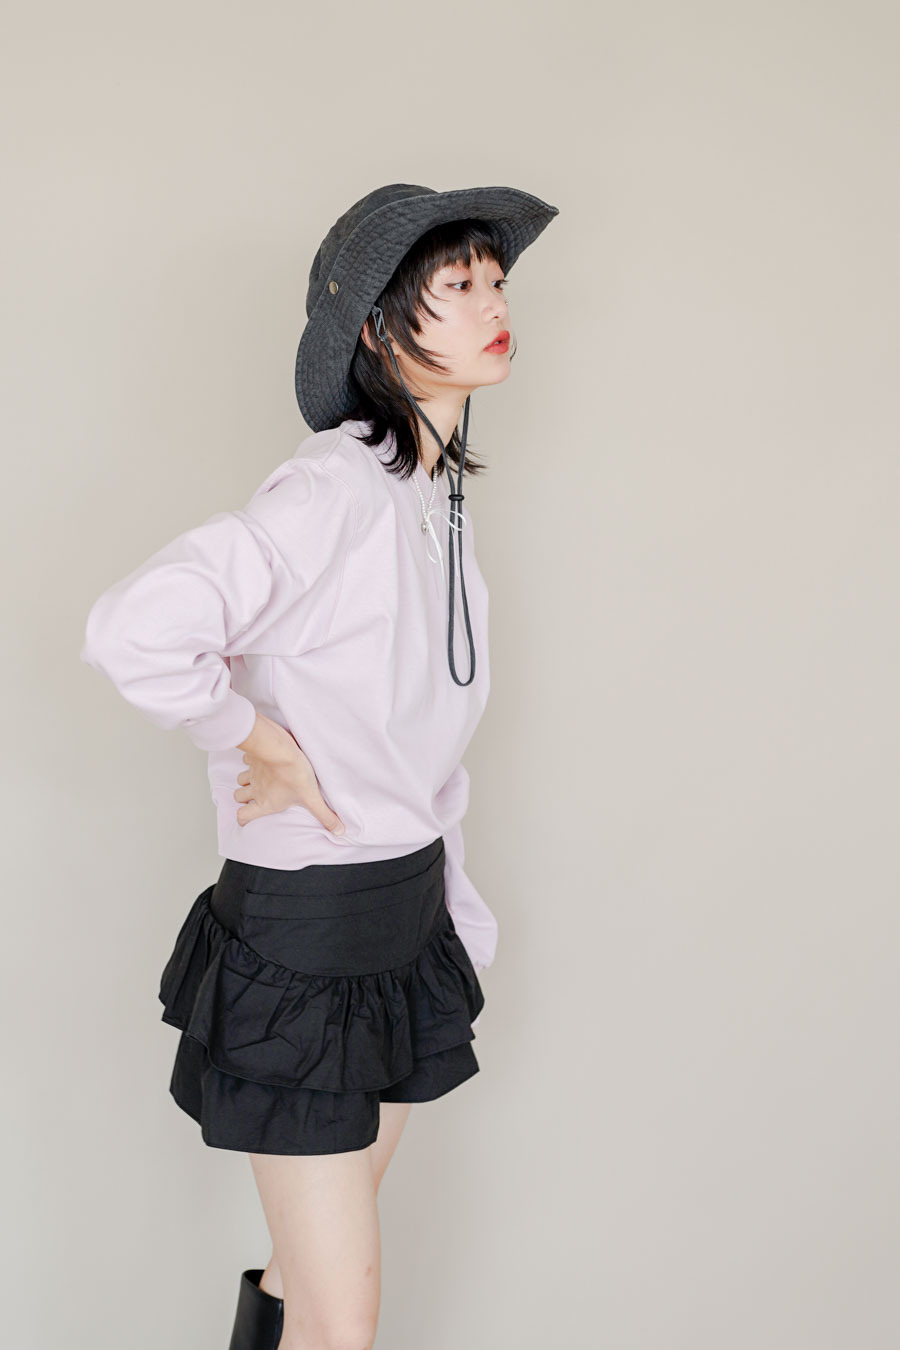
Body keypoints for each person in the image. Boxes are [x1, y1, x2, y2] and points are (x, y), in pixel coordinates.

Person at [80, 182, 559, 1350]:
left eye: (496, 279)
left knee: (302, 1277)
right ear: (377, 328)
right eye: (457, 283)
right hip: (310, 935)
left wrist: (456, 915)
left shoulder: (433, 495)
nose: (495, 302)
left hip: (402, 919)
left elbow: (424, 744)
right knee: (342, 1324)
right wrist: (254, 738)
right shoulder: (332, 489)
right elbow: (134, 629)